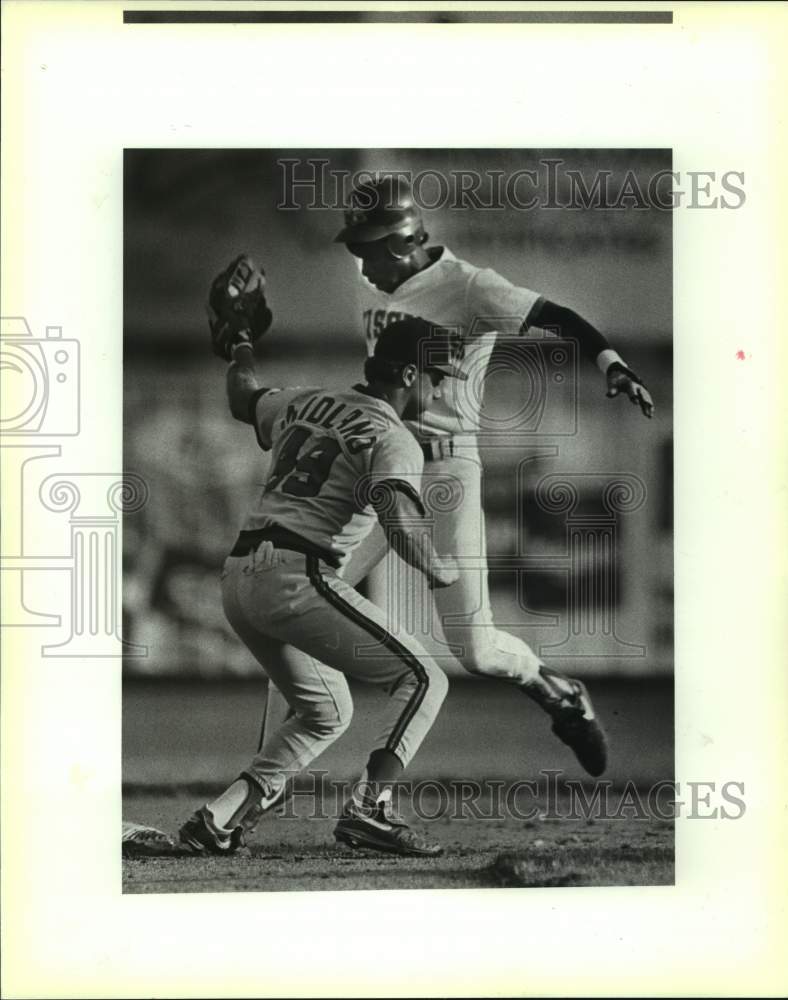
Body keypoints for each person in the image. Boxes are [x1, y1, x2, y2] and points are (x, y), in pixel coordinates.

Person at [261, 173, 656, 780]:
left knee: (474, 650)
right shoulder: (382, 289)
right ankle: (269, 775)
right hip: (382, 463)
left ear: (399, 243)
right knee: (297, 596)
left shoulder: (470, 286)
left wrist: (612, 363)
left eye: (365, 247)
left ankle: (558, 693)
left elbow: (561, 315)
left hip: (444, 469)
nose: (359, 260)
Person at [179, 311, 468, 858]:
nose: (440, 389)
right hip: (295, 575)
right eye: (437, 377)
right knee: (424, 679)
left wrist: (241, 345)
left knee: (327, 712)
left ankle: (219, 820)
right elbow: (398, 521)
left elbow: (243, 399)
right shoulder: (393, 435)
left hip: (239, 579)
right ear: (408, 375)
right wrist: (441, 570)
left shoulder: (303, 400)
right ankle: (370, 809)